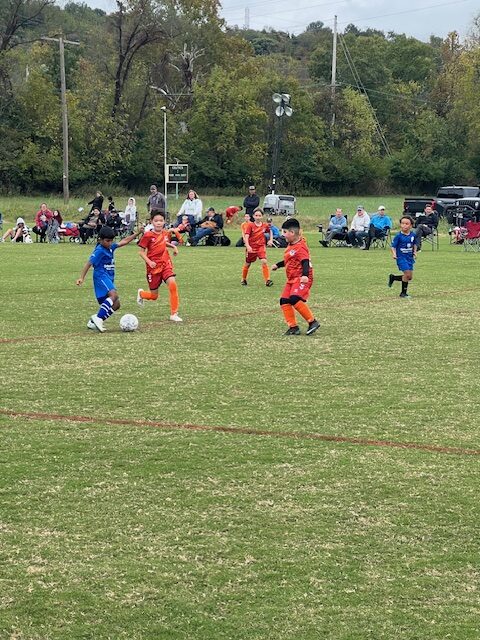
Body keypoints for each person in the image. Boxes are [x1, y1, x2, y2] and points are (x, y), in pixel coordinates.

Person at [76, 224, 143, 333]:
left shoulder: (110, 247)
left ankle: (93, 322)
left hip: (108, 277)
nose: (110, 243)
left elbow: (124, 241)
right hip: (101, 276)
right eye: (107, 241)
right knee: (114, 295)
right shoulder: (99, 250)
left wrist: (138, 233)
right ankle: (98, 318)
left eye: (111, 240)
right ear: (100, 240)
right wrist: (81, 278)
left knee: (116, 304)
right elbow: (88, 264)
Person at [271, 218, 320, 335]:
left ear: (292, 233)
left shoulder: (300, 246)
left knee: (294, 298)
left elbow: (305, 261)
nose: (283, 235)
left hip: (302, 278)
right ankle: (293, 327)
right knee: (284, 300)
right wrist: (278, 265)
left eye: (285, 232)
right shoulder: (290, 245)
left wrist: (305, 275)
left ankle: (312, 322)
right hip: (292, 279)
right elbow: (289, 260)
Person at [136, 212, 182, 322]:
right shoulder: (147, 235)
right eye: (156, 221)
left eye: (161, 221)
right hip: (153, 268)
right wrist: (149, 262)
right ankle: (141, 294)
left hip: (165, 264)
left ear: (164, 222)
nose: (158, 223)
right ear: (152, 222)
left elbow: (164, 243)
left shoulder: (165, 233)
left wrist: (173, 247)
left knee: (172, 284)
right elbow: (141, 252)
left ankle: (174, 314)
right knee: (154, 296)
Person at [241, 208, 274, 287]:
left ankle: (267, 280)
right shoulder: (250, 225)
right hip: (251, 248)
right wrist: (248, 246)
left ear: (262, 216)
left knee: (264, 261)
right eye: (256, 215)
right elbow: (246, 236)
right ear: (253, 216)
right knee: (248, 264)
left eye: (259, 215)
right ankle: (243, 279)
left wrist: (270, 240)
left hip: (260, 247)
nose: (258, 217)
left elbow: (270, 231)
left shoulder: (265, 225)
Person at [388, 215, 417, 298]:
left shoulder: (413, 235)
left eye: (407, 224)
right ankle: (403, 293)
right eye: (402, 223)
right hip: (401, 258)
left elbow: (414, 244)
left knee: (409, 277)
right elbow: (393, 246)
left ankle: (393, 278)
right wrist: (394, 254)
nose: (404, 225)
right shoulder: (398, 236)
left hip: (409, 258)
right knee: (407, 275)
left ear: (411, 225)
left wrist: (415, 252)